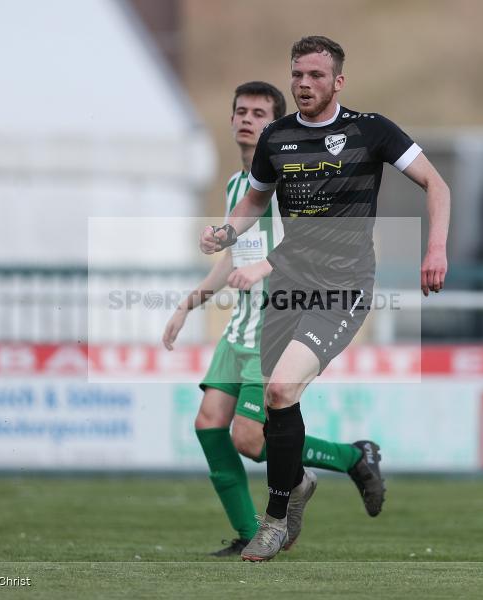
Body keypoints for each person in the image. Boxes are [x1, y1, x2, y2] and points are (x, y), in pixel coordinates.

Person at [200, 36, 450, 562]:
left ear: (338, 81)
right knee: (274, 404)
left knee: (281, 386)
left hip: (343, 288)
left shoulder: (370, 130)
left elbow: (436, 184)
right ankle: (301, 486)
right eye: (297, 75)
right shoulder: (278, 136)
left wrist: (436, 248)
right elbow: (253, 198)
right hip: (287, 284)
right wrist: (226, 231)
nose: (304, 84)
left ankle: (273, 520)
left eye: (316, 76)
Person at [165, 80, 386, 557]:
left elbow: (312, 246)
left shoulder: (294, 182)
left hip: (275, 321)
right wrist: (190, 303)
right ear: (230, 121)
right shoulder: (236, 187)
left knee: (248, 437)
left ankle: (349, 458)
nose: (248, 120)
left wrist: (275, 274)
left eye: (259, 114)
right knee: (208, 424)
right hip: (238, 327)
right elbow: (233, 259)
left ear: (279, 128)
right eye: (240, 111)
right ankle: (249, 530)